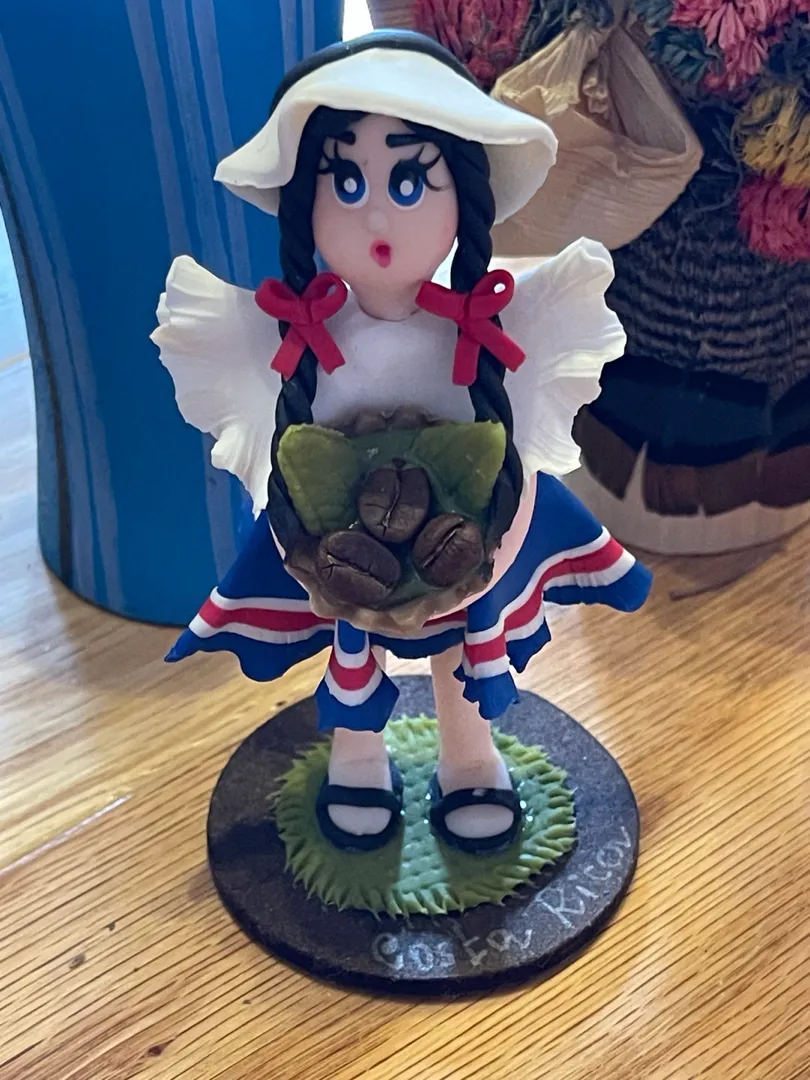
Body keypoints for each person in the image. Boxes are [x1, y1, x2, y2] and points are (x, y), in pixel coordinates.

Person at [152, 29, 651, 856]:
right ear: (305, 202)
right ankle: (358, 759)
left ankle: (470, 758)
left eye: (411, 180)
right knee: (350, 642)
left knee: (461, 647)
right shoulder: (297, 341)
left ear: (466, 197)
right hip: (340, 549)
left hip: (465, 540)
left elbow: (515, 439)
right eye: (345, 182)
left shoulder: (489, 331)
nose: (378, 214)